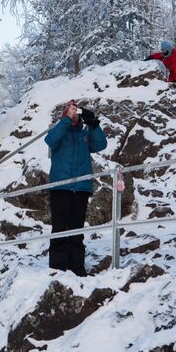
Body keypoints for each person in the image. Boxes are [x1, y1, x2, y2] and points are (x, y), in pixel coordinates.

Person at [44, 100, 107, 276]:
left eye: (76, 111)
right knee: (59, 227)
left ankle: (77, 267)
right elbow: (51, 140)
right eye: (71, 110)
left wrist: (93, 124)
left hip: (81, 187)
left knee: (77, 227)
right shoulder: (59, 130)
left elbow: (100, 145)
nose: (74, 113)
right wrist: (65, 120)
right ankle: (57, 267)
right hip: (60, 186)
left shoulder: (85, 134)